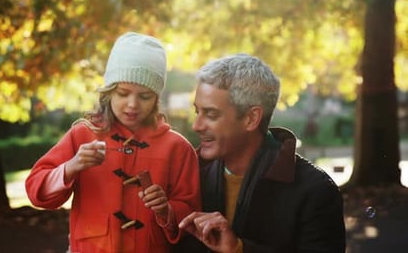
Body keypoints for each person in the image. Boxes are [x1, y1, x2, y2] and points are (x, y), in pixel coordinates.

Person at [25, 32, 201, 253]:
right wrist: (71, 167)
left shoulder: (178, 148)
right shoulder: (83, 135)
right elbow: (35, 191)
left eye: (144, 96)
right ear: (108, 92)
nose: (132, 104)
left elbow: (191, 213)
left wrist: (167, 211)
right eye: (123, 93)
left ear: (157, 98)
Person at [177, 53, 345, 252]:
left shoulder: (315, 191)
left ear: (251, 118)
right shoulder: (188, 179)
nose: (196, 126)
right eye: (197, 112)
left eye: (211, 114)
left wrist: (239, 249)